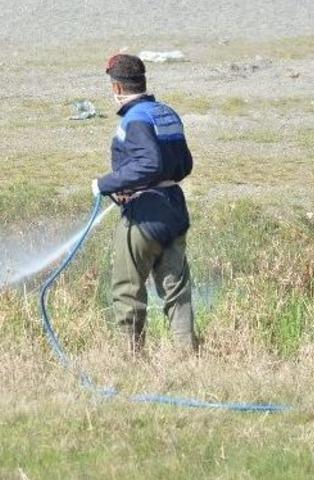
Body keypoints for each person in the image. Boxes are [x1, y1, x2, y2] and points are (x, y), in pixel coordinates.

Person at [92, 53, 197, 354]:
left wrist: (105, 184)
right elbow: (184, 165)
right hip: (174, 210)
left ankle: (129, 358)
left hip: (144, 216)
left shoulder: (134, 120)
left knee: (127, 290)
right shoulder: (166, 114)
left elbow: (149, 163)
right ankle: (187, 355)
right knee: (177, 291)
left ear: (117, 88)